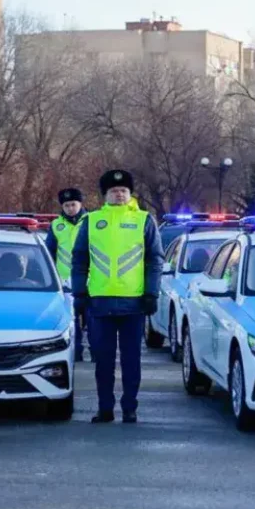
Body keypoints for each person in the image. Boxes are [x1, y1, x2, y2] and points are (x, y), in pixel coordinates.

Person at [71, 170, 164, 424]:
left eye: (123, 190)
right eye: (114, 191)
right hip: (100, 302)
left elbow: (155, 260)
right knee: (103, 361)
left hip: (134, 303)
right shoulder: (91, 221)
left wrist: (151, 293)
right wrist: (79, 292)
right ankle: (105, 408)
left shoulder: (144, 220)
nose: (120, 194)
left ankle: (130, 408)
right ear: (105, 195)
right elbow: (79, 260)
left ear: (130, 193)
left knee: (131, 360)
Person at [45, 188, 88, 361]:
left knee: (92, 320)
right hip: (65, 282)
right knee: (71, 320)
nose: (70, 208)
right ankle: (76, 353)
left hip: (91, 279)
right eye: (66, 205)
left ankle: (97, 353)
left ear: (80, 204)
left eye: (73, 204)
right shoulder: (56, 225)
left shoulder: (91, 222)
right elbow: (50, 252)